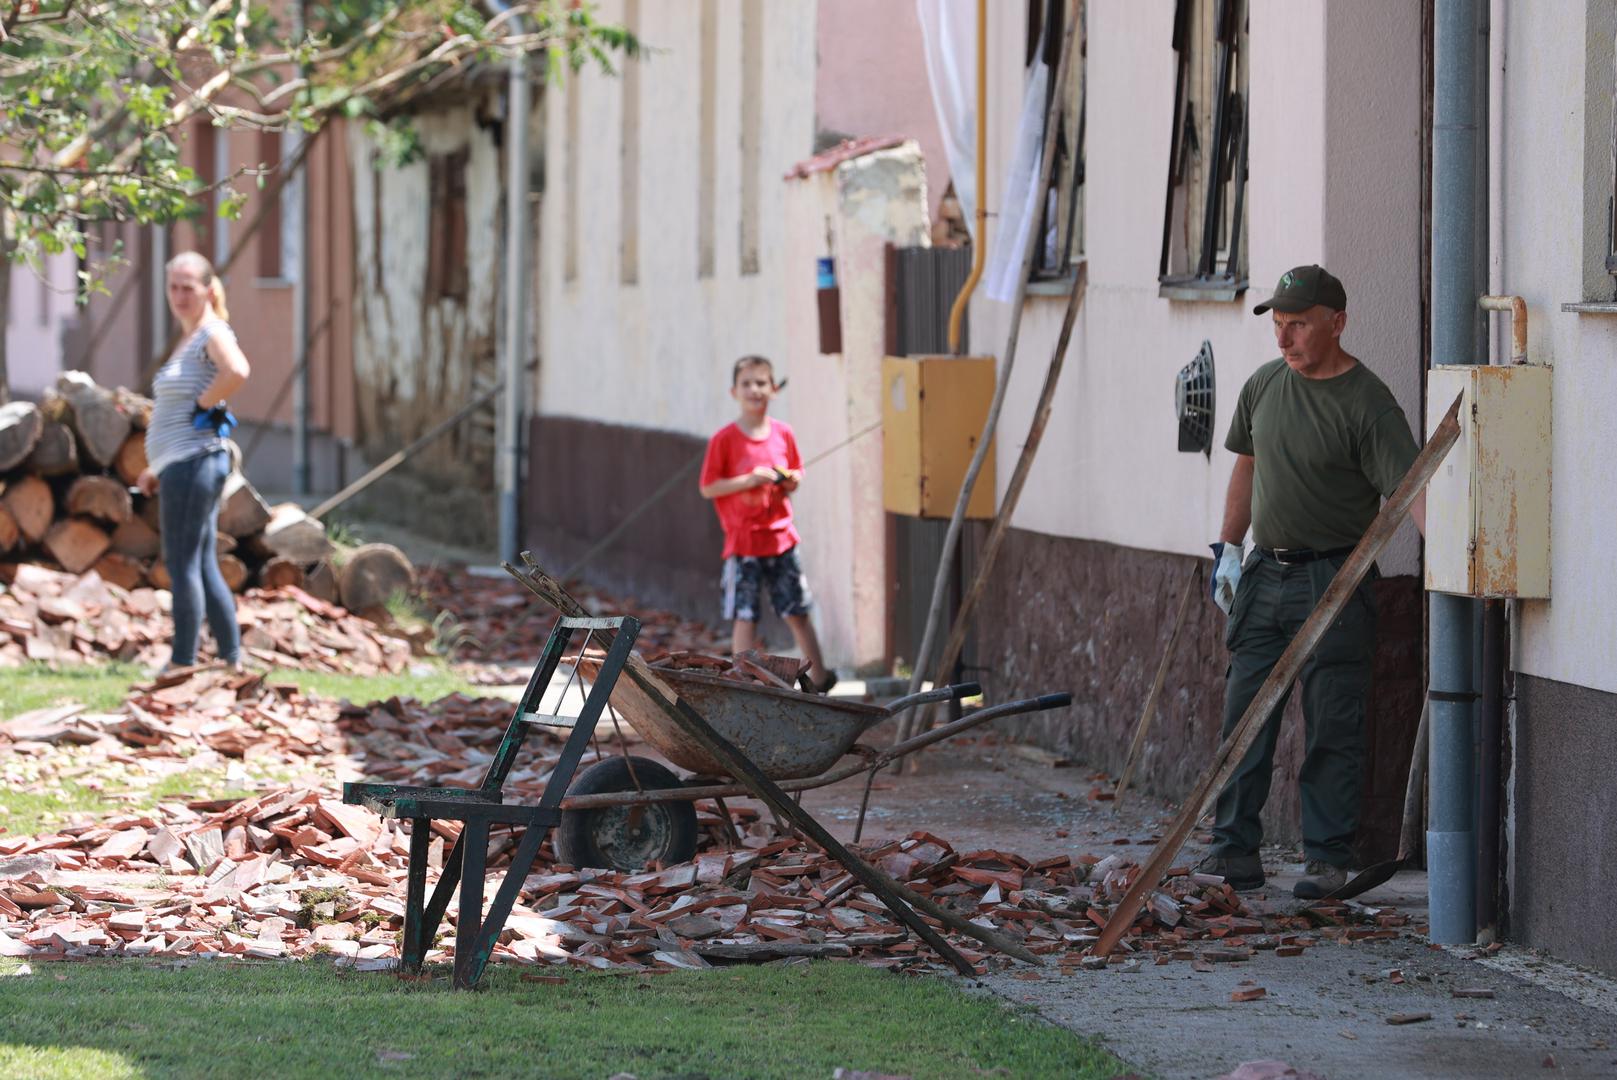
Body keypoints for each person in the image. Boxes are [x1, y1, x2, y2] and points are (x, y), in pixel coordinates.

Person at [1200, 265, 1425, 900]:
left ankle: (1326, 858)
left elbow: (1409, 492)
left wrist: (1452, 562)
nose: (1284, 338)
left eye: (1297, 324)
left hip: (1336, 577)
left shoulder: (1368, 403)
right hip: (1264, 573)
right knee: (1244, 715)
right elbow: (1246, 467)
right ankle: (1232, 849)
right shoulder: (1264, 386)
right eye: (1277, 324)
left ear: (1336, 323)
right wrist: (1228, 550)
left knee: (1334, 721)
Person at [137, 251, 251, 672]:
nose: (180, 295)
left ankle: (182, 663)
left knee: (181, 564)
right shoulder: (189, 338)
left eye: (189, 287)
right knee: (201, 564)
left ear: (208, 289)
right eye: (174, 287)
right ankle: (230, 659)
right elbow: (173, 417)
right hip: (183, 463)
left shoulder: (211, 333)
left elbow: (237, 370)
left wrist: (205, 401)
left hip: (195, 463)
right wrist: (155, 467)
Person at [698, 355, 835, 693]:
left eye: (761, 383)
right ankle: (741, 685)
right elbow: (708, 487)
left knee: (797, 612)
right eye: (747, 383)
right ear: (734, 391)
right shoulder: (724, 439)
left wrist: (788, 480)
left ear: (773, 389)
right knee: (745, 615)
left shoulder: (784, 434)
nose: (754, 390)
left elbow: (797, 474)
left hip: (781, 540)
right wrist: (748, 480)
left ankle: (819, 681)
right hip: (743, 543)